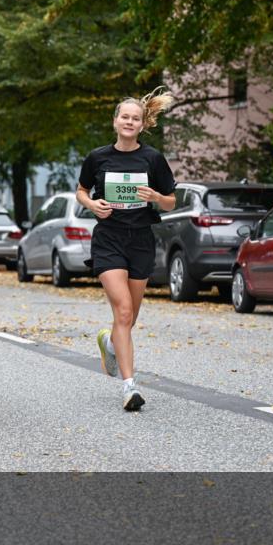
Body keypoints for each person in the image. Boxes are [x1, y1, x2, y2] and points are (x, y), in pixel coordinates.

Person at [76, 87, 177, 411]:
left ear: (142, 124)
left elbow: (171, 201)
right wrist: (92, 204)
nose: (129, 122)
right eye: (124, 116)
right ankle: (129, 387)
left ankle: (108, 342)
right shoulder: (98, 157)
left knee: (128, 318)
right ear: (115, 120)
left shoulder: (152, 159)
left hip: (141, 240)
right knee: (122, 311)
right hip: (109, 238)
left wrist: (156, 198)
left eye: (135, 118)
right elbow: (80, 190)